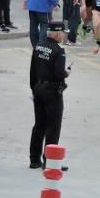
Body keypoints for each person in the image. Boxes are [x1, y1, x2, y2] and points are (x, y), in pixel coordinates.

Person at [29, 21, 70, 169]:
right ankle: (50, 161)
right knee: (53, 126)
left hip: (38, 87)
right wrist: (67, 73)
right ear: (58, 33)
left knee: (39, 124)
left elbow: (32, 70)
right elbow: (59, 74)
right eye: (63, 32)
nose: (65, 35)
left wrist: (34, 88)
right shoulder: (59, 51)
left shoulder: (39, 46)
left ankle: (34, 159)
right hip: (52, 91)